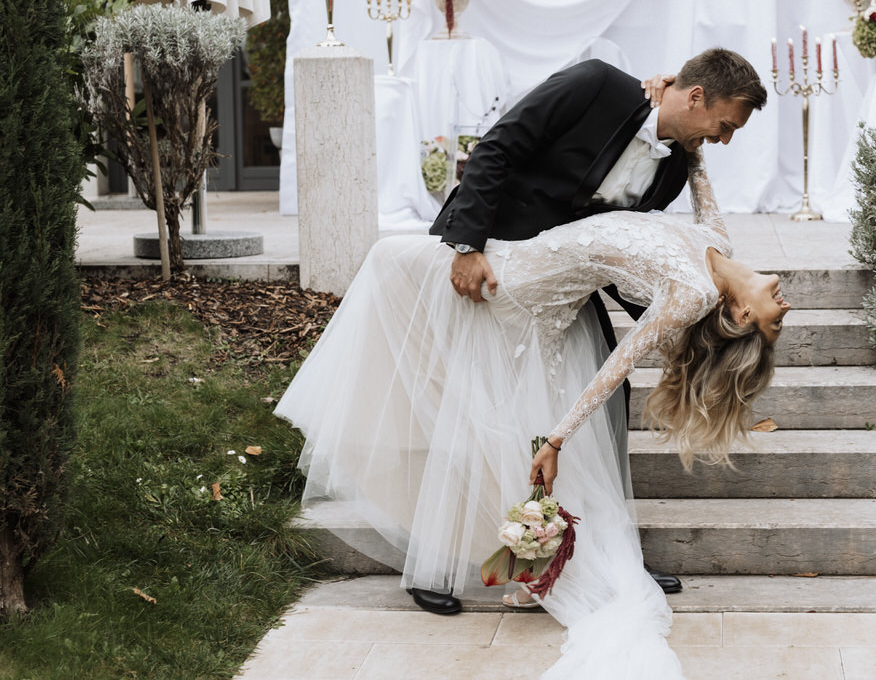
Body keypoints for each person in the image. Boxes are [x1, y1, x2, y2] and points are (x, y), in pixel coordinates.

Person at [273, 145, 788, 679]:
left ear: (744, 314)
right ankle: (518, 568)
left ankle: (505, 566)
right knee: (424, 336)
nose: (785, 309)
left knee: (391, 268)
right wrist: (692, 141)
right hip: (522, 262)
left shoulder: (692, 293)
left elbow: (619, 364)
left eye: (774, 323)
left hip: (516, 291)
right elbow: (700, 173)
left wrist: (557, 439)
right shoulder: (717, 243)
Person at [423, 47, 768, 613]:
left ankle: (608, 552)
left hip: (562, 291)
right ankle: (435, 564)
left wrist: (693, 329)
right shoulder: (596, 84)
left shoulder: (677, 165)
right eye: (723, 126)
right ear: (697, 95)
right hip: (497, 267)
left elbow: (615, 248)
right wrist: (468, 244)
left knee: (606, 406)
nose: (724, 139)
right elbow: (497, 145)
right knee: (482, 414)